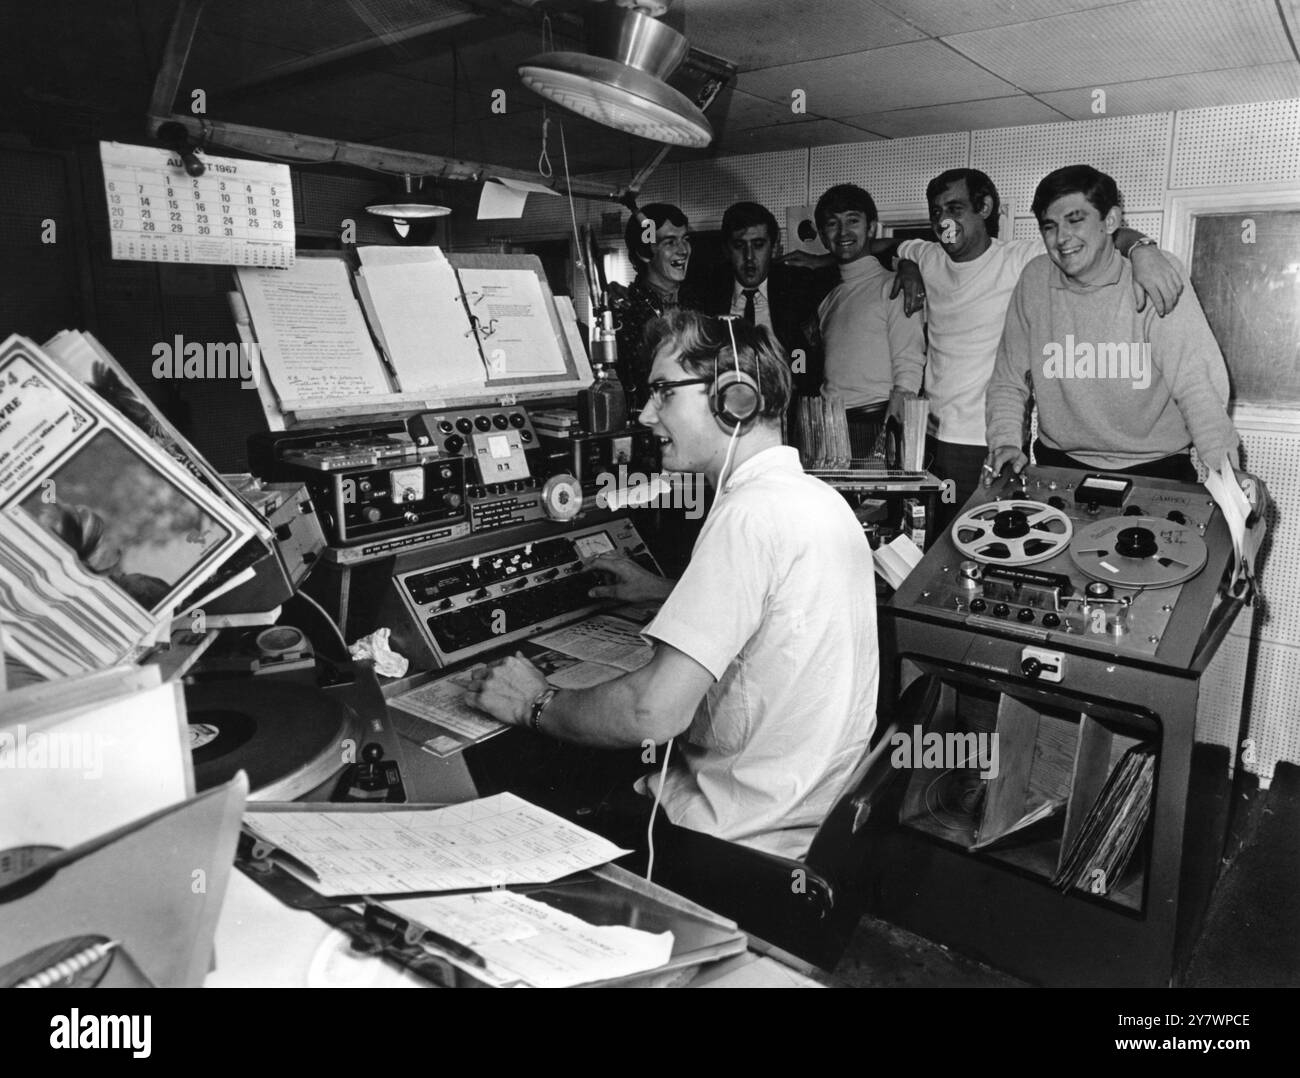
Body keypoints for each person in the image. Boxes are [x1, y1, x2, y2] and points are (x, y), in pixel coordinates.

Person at [465, 310, 878, 859]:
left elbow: (651, 713)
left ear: (735, 399)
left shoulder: (748, 517)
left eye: (663, 392)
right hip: (809, 818)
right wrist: (665, 592)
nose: (644, 414)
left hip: (731, 839)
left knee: (517, 791)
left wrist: (533, 702)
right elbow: (780, 617)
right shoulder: (815, 500)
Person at [881, 168, 1184, 525]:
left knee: (980, 542)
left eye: (955, 208)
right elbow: (882, 245)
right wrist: (906, 264)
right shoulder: (928, 256)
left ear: (985, 207)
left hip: (986, 440)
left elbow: (1095, 236)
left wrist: (1141, 248)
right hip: (929, 436)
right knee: (927, 540)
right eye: (936, 212)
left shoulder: (1020, 260)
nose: (943, 221)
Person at [985, 165, 1239, 481]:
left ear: (1111, 221)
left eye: (1075, 220)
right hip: (1058, 463)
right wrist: (1005, 442)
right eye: (1049, 226)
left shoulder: (1154, 276)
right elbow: (1009, 379)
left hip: (1155, 468)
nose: (1062, 238)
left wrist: (1227, 471)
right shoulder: (1034, 280)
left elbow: (1195, 383)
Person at [813, 183, 925, 457]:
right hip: (830, 428)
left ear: (872, 227)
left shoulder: (894, 286)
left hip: (878, 424)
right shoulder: (829, 299)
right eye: (832, 224)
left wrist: (894, 437)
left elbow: (909, 365)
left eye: (853, 220)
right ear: (823, 236)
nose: (843, 232)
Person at [695, 200, 836, 402]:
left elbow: (865, 255)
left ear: (775, 246)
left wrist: (823, 260)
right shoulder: (707, 292)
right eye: (739, 246)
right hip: (727, 411)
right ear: (726, 249)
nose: (749, 257)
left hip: (789, 410)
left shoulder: (799, 284)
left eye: (759, 245)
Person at [610, 202, 693, 411]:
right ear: (644, 251)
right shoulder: (625, 313)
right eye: (670, 242)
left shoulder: (699, 302)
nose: (683, 250)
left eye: (685, 239)